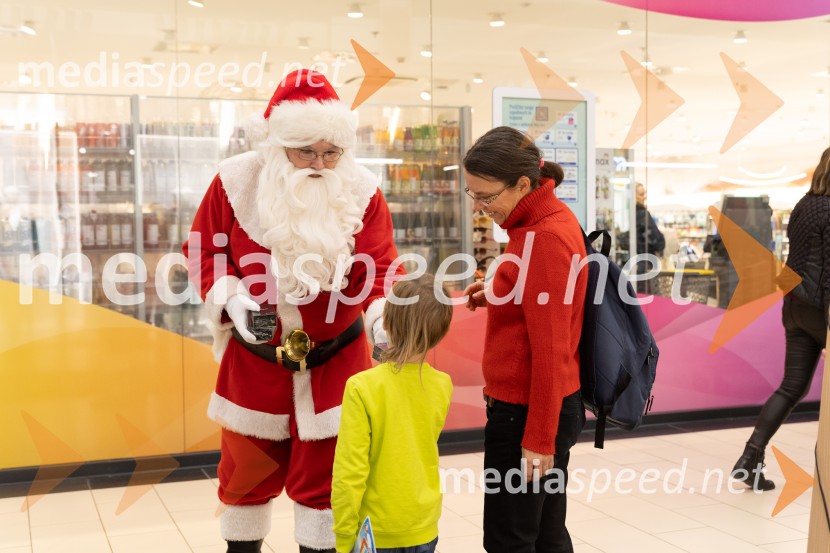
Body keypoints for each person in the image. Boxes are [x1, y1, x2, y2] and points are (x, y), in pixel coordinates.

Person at [183, 69, 402, 553]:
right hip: (255, 361)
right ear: (278, 145)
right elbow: (203, 249)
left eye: (332, 152)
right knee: (244, 481)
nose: (320, 164)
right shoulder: (234, 182)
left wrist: (382, 314)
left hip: (336, 364)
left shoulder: (361, 189)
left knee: (327, 490)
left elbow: (381, 265)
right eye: (306, 151)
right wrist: (232, 296)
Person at [461, 126, 587, 553]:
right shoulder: (542, 218)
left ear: (521, 184)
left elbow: (550, 350)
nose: (479, 207)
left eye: (486, 196)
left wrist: (538, 438)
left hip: (526, 410)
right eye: (471, 194)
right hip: (541, 406)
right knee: (547, 534)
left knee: (509, 539)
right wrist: (501, 291)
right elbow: (543, 301)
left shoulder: (543, 237)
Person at [331, 273, 454, 553]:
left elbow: (349, 472)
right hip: (423, 524)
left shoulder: (361, 387)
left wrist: (343, 536)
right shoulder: (442, 384)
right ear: (441, 332)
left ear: (385, 322)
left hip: (375, 531)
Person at [731, 146, 830, 492]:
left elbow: (796, 256)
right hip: (822, 310)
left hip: (796, 307)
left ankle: (750, 458)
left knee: (791, 388)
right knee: (795, 388)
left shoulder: (804, 205)